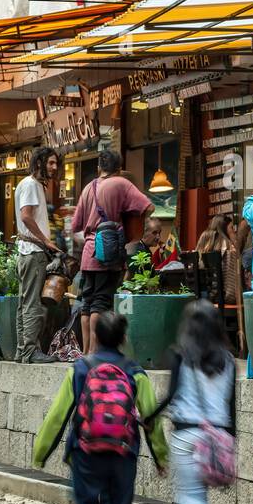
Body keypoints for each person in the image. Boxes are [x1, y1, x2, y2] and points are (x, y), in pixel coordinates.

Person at [32, 311, 167, 504]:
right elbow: (152, 420)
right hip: (123, 453)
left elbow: (58, 415)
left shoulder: (81, 368)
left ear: (95, 336)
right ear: (123, 338)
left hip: (85, 454)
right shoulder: (135, 372)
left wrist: (41, 451)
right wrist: (160, 457)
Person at [154, 301, 235, 504]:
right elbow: (231, 405)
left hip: (186, 434)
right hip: (217, 435)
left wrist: (149, 416)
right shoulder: (229, 360)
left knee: (187, 498)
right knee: (199, 496)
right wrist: (231, 442)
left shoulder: (180, 355)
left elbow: (170, 395)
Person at [71, 149, 153, 354]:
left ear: (99, 167)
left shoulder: (88, 187)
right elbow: (148, 207)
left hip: (88, 252)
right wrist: (125, 221)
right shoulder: (121, 183)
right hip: (108, 254)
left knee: (87, 302)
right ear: (119, 168)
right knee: (101, 301)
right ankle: (95, 351)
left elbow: (75, 225)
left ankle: (85, 351)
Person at [15, 147, 61, 365]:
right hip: (33, 252)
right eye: (50, 163)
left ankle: (22, 350)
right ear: (40, 162)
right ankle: (30, 352)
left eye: (55, 163)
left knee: (24, 302)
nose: (54, 167)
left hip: (26, 251)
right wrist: (46, 240)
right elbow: (26, 216)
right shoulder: (33, 185)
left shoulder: (27, 184)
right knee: (33, 304)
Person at [195, 214, 240, 302]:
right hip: (218, 294)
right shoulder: (225, 243)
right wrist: (233, 237)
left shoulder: (204, 236)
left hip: (202, 292)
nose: (233, 230)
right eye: (231, 228)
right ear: (224, 228)